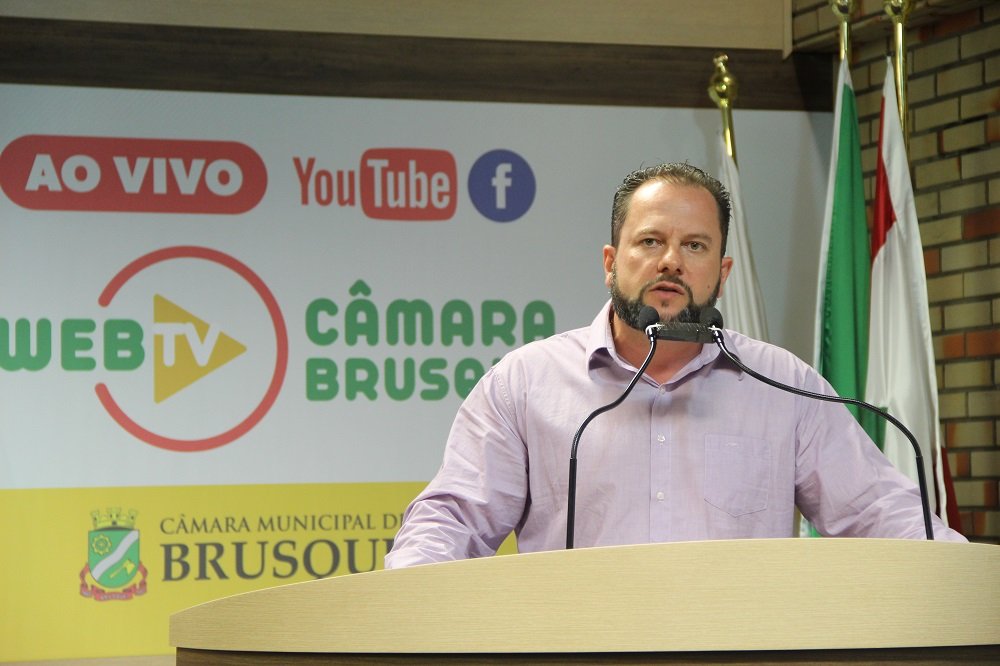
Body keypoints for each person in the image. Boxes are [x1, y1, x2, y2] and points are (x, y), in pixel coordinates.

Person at [385, 162, 965, 569]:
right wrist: (406, 595)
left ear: (722, 271)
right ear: (611, 262)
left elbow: (878, 511)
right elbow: (454, 518)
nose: (671, 262)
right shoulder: (525, 383)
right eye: (650, 242)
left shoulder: (783, 386)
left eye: (694, 246)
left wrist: (969, 576)